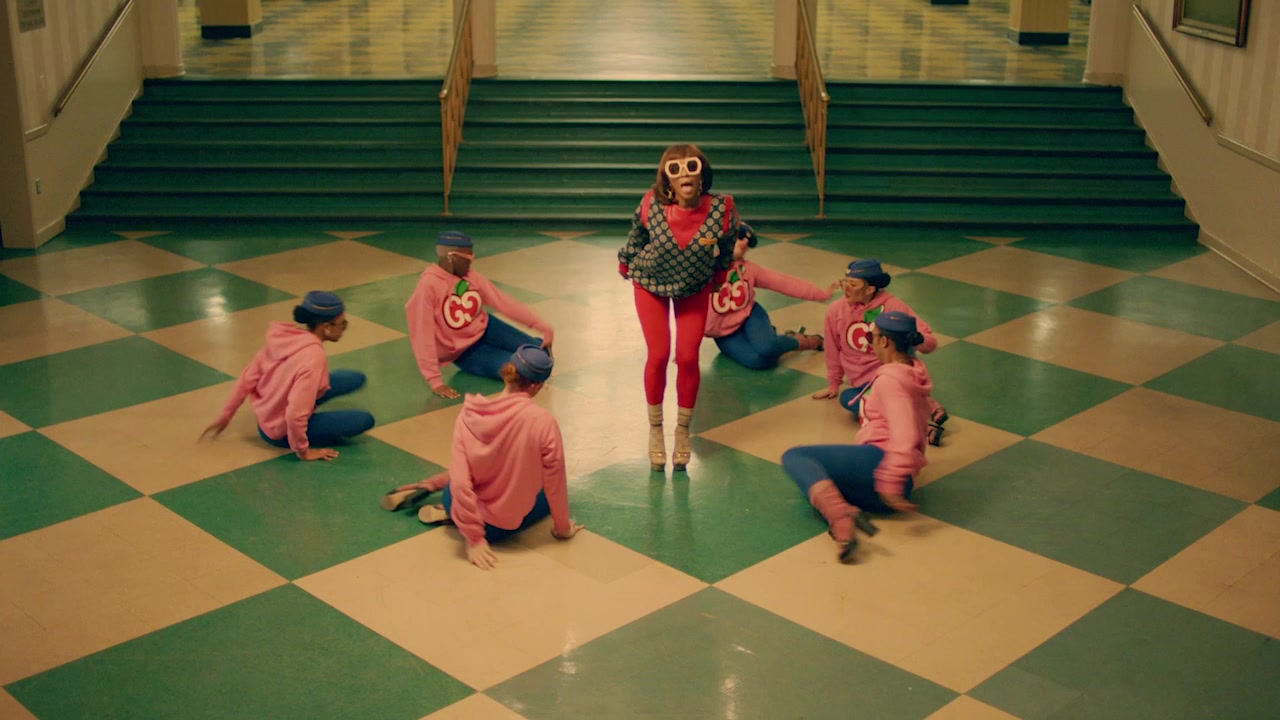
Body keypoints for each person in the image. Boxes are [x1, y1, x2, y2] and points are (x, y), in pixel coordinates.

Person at [380, 345, 582, 570]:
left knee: (469, 470)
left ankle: (433, 489)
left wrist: (472, 538)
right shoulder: (543, 423)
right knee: (546, 485)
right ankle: (451, 516)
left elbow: (460, 480)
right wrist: (562, 529)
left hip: (453, 499)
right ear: (536, 386)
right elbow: (555, 483)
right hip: (496, 528)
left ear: (508, 373)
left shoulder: (470, 414)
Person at [618, 143, 741, 471]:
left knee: (687, 357)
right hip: (651, 284)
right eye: (675, 169)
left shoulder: (723, 209)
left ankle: (682, 431)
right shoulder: (650, 204)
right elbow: (636, 238)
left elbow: (727, 244)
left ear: (702, 174)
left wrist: (720, 275)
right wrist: (625, 262)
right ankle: (655, 429)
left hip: (694, 287)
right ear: (667, 179)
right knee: (659, 354)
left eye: (691, 166)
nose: (684, 173)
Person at [782, 311, 931, 563]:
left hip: (882, 468)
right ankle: (844, 514)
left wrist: (890, 483)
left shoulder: (890, 381)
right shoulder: (913, 371)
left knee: (796, 458)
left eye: (872, 338)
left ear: (884, 342)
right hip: (894, 481)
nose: (870, 343)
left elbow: (905, 434)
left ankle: (841, 516)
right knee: (815, 479)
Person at [201, 291, 374, 461]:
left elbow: (246, 381)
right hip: (280, 431)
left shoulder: (285, 338)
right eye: (343, 324)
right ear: (326, 327)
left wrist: (225, 416)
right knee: (364, 420)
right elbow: (294, 414)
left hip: (270, 412)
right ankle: (303, 430)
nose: (344, 329)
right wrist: (303, 452)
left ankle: (306, 402)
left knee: (355, 378)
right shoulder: (314, 358)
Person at [812, 258, 950, 445]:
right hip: (865, 383)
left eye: (853, 284)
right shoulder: (836, 310)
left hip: (895, 376)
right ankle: (924, 414)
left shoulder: (893, 307)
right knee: (849, 398)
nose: (846, 288)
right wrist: (833, 383)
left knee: (877, 403)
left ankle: (922, 412)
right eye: (845, 282)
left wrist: (917, 340)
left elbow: (929, 341)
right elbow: (832, 348)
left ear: (870, 289)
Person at [406, 231, 555, 400]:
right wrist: (435, 380)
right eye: (468, 258)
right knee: (522, 371)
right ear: (451, 257)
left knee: (540, 355)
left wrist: (541, 325)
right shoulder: (428, 286)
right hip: (464, 352)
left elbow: (503, 302)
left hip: (487, 328)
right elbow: (421, 335)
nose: (471, 262)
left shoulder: (471, 277)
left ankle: (531, 345)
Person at [705, 223, 832, 369]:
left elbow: (783, 282)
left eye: (750, 242)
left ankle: (805, 341)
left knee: (768, 347)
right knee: (761, 362)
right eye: (740, 236)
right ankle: (773, 337)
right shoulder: (705, 269)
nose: (745, 242)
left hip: (749, 316)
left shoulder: (749, 269)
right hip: (723, 333)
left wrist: (819, 293)